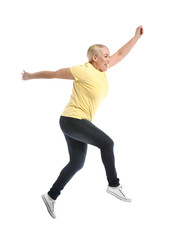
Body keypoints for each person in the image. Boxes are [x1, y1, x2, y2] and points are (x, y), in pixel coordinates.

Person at [22, 25, 144, 219]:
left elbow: (121, 54)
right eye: (105, 55)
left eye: (109, 56)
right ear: (94, 58)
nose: (109, 59)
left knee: (77, 163)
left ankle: (51, 195)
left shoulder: (102, 71)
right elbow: (54, 74)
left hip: (78, 122)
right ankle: (113, 185)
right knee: (107, 143)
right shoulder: (83, 70)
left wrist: (136, 37)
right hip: (72, 120)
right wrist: (30, 76)